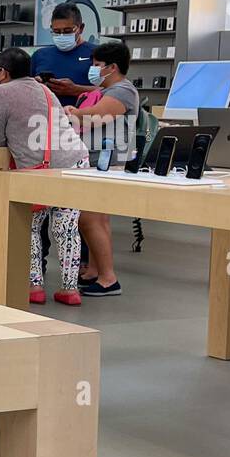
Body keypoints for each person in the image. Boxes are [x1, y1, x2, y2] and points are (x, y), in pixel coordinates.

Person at [0, 47, 89, 305]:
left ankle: (34, 286)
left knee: (30, 227)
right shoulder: (45, 89)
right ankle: (69, 289)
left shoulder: (0, 92)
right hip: (73, 161)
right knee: (66, 229)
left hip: (36, 170)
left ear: (3, 72)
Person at [66, 39, 140, 298]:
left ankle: (109, 278)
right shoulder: (112, 91)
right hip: (98, 160)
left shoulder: (122, 92)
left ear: (113, 67)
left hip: (105, 162)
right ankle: (95, 271)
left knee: (89, 220)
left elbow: (98, 116)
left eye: (97, 65)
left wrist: (74, 112)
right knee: (98, 219)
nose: (94, 70)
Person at [30, 2, 97, 106]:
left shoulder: (97, 54)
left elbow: (113, 90)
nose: (61, 35)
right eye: (56, 31)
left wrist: (76, 90)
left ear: (81, 28)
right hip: (45, 118)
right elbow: (24, 87)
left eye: (67, 31)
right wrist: (36, 85)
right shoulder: (40, 55)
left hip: (85, 119)